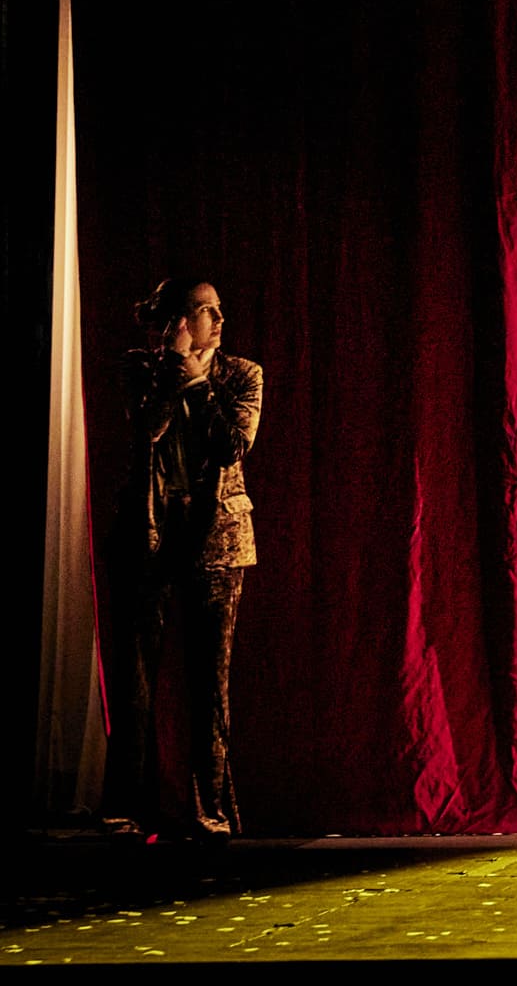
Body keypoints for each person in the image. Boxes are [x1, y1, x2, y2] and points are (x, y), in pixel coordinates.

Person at [123, 275, 263, 841]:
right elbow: (146, 430)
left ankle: (212, 812)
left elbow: (232, 445)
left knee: (210, 683)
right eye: (207, 310)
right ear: (180, 322)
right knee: (137, 683)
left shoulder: (242, 374)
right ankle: (128, 810)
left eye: (220, 309)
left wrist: (199, 382)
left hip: (216, 540)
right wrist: (173, 372)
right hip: (151, 537)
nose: (220, 319)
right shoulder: (141, 368)